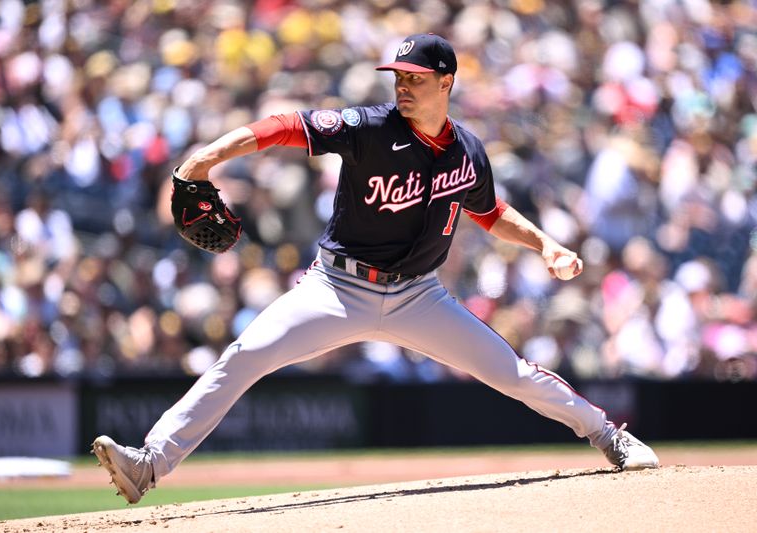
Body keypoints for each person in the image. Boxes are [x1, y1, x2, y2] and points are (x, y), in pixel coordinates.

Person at [92, 34, 659, 504]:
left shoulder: (468, 151)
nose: (403, 86)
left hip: (420, 297)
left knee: (512, 373)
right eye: (399, 77)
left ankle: (610, 436)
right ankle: (149, 463)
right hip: (336, 287)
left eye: (415, 77)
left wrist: (545, 245)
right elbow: (282, 126)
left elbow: (488, 211)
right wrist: (203, 159)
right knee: (244, 358)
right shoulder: (368, 127)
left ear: (446, 83)